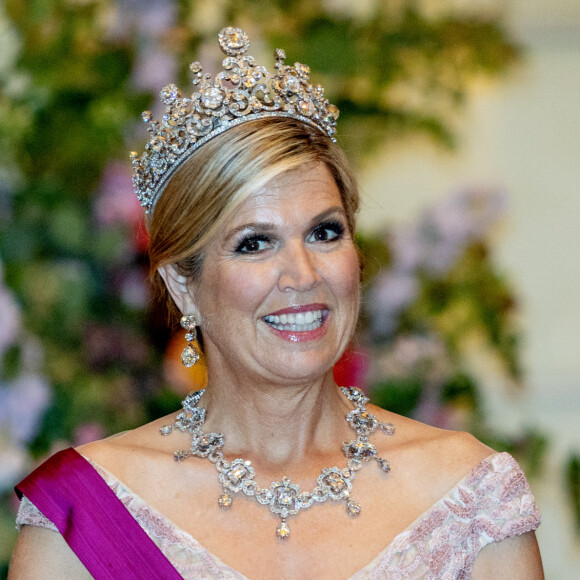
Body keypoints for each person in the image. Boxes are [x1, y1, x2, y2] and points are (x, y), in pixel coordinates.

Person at [9, 27, 542, 579]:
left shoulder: (471, 500)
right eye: (254, 243)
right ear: (182, 286)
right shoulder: (81, 518)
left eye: (325, 233)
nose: (304, 274)